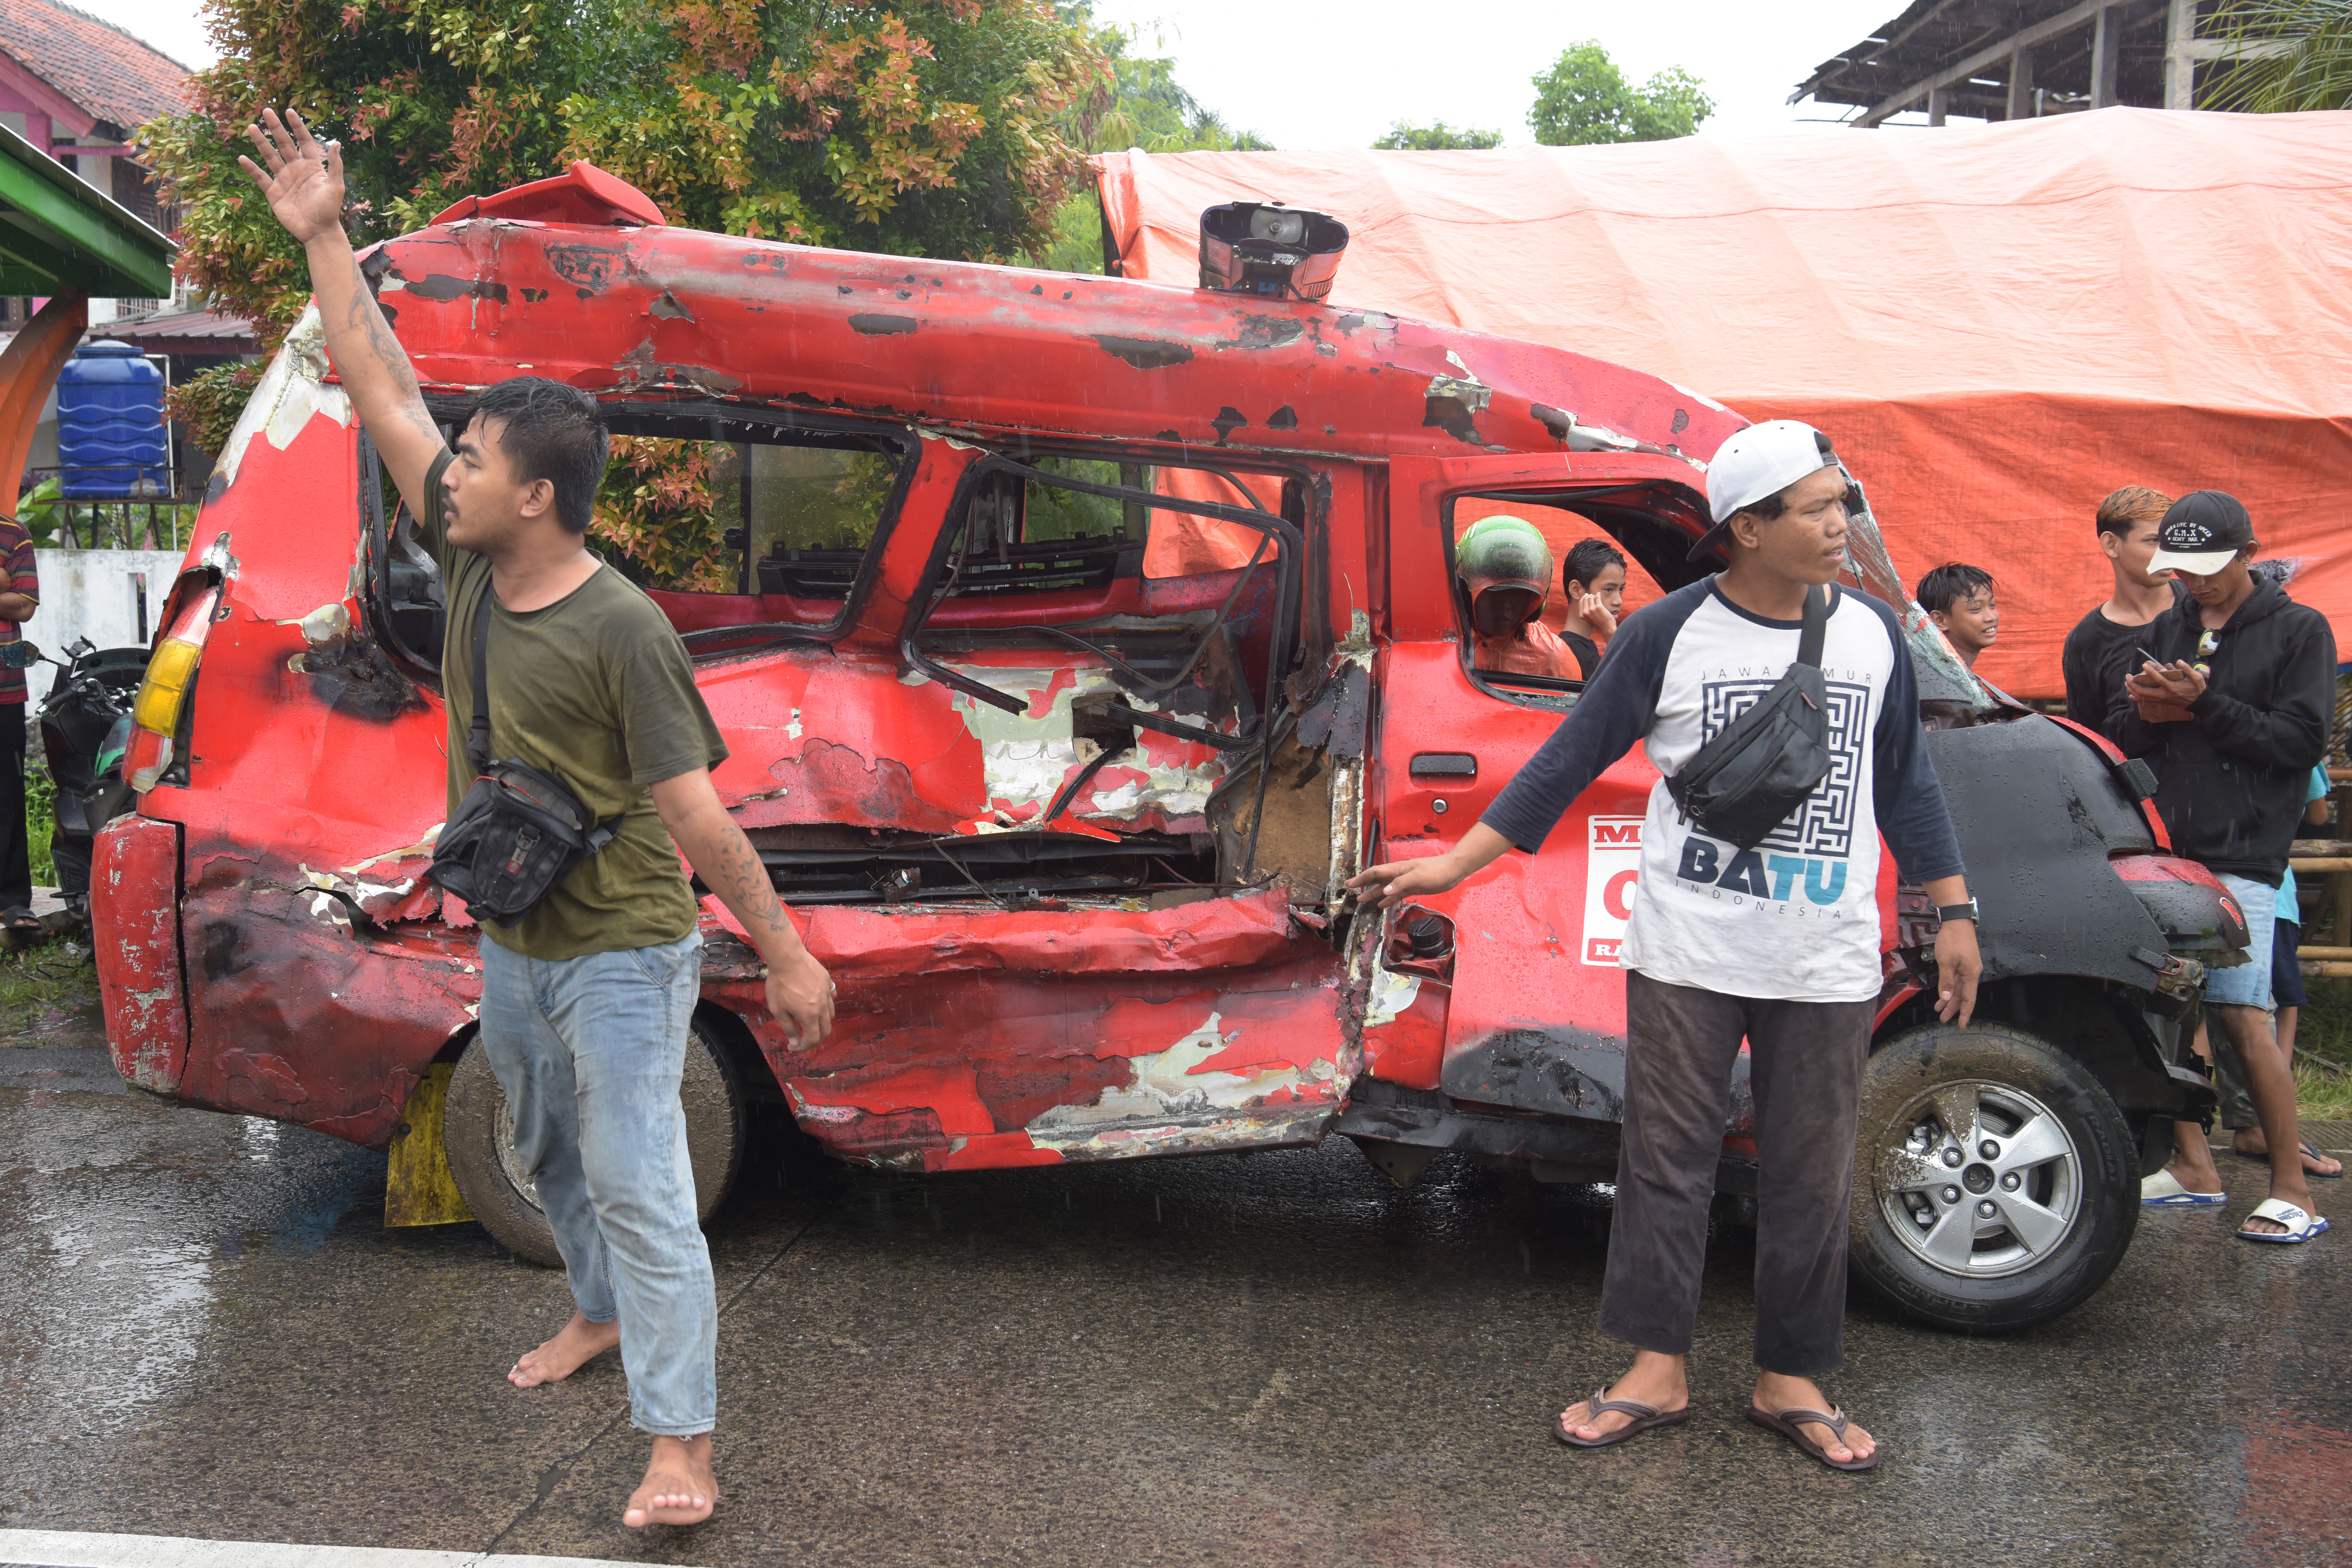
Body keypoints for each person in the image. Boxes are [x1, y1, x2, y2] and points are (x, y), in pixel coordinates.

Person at [240, 108, 840, 1527]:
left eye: (473, 458)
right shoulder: (465, 575)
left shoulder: (623, 629)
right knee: (539, 1152)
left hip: (628, 953)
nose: (446, 467)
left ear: (539, 496)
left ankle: (680, 1445)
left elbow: (696, 810)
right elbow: (380, 384)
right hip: (516, 937)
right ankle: (597, 1310)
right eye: (452, 456)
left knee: (641, 1182)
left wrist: (786, 950)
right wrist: (325, 233)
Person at [1353, 419, 1980, 1471]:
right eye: (1819, 507)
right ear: (1747, 526)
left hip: (1822, 952)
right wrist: (1455, 864)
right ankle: (1655, 1365)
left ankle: (1792, 1377)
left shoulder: (1874, 635)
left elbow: (1909, 780)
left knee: (1809, 1168)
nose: (1843, 523)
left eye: (1843, 502)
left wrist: (1954, 912)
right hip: (1686, 945)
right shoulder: (1668, 633)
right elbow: (1567, 756)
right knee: (1664, 1159)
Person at [2107, 491, 2332, 1241]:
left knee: (2241, 1013)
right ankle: (2195, 1167)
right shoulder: (2171, 622)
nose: (2196, 583)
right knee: (2167, 1015)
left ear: (2247, 553)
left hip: (2245, 852)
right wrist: (2145, 706)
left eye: (2210, 569)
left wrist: (2207, 705)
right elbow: (2131, 737)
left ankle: (2294, 1191)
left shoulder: (2300, 629)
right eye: (2184, 570)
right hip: (2169, 847)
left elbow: (2301, 744)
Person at [2062, 486, 2176, 725]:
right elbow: (2092, 741)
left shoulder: (2203, 606)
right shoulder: (2087, 640)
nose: (2168, 553)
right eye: (2153, 541)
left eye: (2171, 540)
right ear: (2112, 545)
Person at [1459, 515, 1575, 679]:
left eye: (1517, 592)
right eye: (1495, 591)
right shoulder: (1445, 646)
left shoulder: (1554, 656)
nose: (1505, 604)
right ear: (1465, 590)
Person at [0, 507, 35, 939]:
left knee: (7, 794)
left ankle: (12, 898)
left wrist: (12, 590)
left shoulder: (13, 534)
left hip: (4, 688)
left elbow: (24, 605)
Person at [1559, 538, 1627, 680]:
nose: (1618, 601)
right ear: (1577, 590)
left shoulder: (1585, 646)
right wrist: (1609, 630)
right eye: (1609, 589)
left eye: (1621, 589)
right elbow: (1630, 685)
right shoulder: (1570, 651)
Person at [1914, 562, 1998, 668]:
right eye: (1976, 609)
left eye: (1992, 605)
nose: (1992, 617)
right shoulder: (1938, 677)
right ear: (1940, 620)